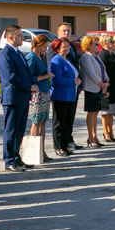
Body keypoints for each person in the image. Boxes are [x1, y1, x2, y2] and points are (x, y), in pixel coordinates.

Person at [0, 25, 38, 172]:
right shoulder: (5, 53)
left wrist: (33, 84)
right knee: (11, 130)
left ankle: (16, 157)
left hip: (22, 97)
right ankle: (9, 160)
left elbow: (25, 73)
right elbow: (10, 76)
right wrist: (28, 87)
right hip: (12, 97)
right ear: (10, 37)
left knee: (20, 130)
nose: (23, 38)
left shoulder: (18, 52)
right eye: (20, 35)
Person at [47, 23, 82, 151]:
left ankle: (67, 142)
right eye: (64, 31)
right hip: (61, 93)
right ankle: (59, 146)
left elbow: (76, 68)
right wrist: (73, 81)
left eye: (69, 31)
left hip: (71, 93)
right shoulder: (55, 57)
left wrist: (78, 83)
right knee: (59, 122)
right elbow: (56, 77)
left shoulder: (68, 55)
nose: (66, 48)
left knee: (68, 120)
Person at [25, 35, 54, 161]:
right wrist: (45, 76)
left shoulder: (42, 57)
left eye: (46, 47)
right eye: (43, 46)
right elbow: (29, 77)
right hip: (37, 94)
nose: (45, 49)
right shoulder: (31, 57)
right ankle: (34, 151)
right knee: (36, 122)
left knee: (43, 122)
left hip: (44, 92)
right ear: (37, 45)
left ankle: (42, 150)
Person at [79, 36, 109, 147]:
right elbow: (91, 74)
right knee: (91, 113)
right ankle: (90, 137)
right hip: (92, 88)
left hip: (100, 87)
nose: (98, 46)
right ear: (89, 45)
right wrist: (102, 84)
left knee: (96, 113)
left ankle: (95, 136)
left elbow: (103, 70)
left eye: (98, 44)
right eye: (96, 44)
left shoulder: (96, 57)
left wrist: (106, 81)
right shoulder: (86, 57)